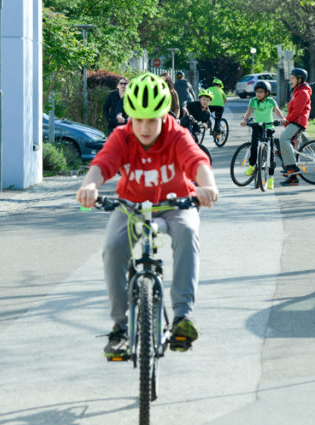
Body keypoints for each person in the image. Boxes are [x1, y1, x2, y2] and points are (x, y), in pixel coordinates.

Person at [76, 73, 219, 357]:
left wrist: (208, 185)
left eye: (152, 120)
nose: (144, 127)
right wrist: (89, 185)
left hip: (177, 202)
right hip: (131, 205)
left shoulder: (176, 134)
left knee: (188, 233)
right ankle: (119, 327)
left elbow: (196, 160)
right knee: (114, 248)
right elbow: (103, 163)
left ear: (164, 114)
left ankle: (181, 316)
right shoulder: (122, 136)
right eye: (138, 119)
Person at [239, 81, 286, 190]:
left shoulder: (271, 101)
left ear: (267, 92)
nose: (258, 94)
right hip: (257, 127)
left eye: (261, 92)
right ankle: (251, 165)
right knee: (254, 147)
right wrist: (244, 120)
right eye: (257, 92)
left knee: (271, 155)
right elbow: (249, 112)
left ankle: (270, 178)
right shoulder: (253, 101)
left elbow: (277, 111)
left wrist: (282, 118)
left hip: (269, 128)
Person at [278, 68, 313, 186]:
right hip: (294, 121)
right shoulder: (297, 91)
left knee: (283, 139)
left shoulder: (303, 92)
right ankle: (293, 179)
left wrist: (286, 120)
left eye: (293, 78)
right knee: (286, 146)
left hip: (298, 122)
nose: (290, 80)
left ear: (300, 79)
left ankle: (292, 167)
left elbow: (297, 111)